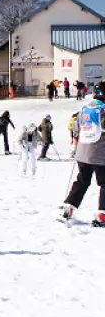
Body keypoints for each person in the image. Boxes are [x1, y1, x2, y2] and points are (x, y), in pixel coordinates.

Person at [62, 87, 105, 225]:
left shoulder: (85, 108)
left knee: (82, 180)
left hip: (82, 152)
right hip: (100, 153)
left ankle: (69, 207)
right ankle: (102, 214)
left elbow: (75, 127)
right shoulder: (103, 109)